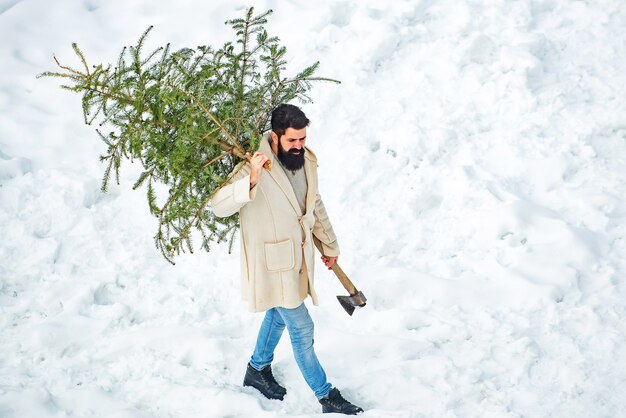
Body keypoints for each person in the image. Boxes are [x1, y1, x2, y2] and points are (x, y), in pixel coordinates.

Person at [210, 104, 363, 415]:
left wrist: (328, 245)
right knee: (302, 328)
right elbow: (218, 205)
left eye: (303, 138)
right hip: (272, 264)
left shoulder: (305, 160)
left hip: (298, 258)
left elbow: (313, 203)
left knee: (279, 315)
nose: (299, 146)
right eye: (292, 140)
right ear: (276, 136)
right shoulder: (253, 164)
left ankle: (257, 370)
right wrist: (251, 179)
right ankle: (326, 396)